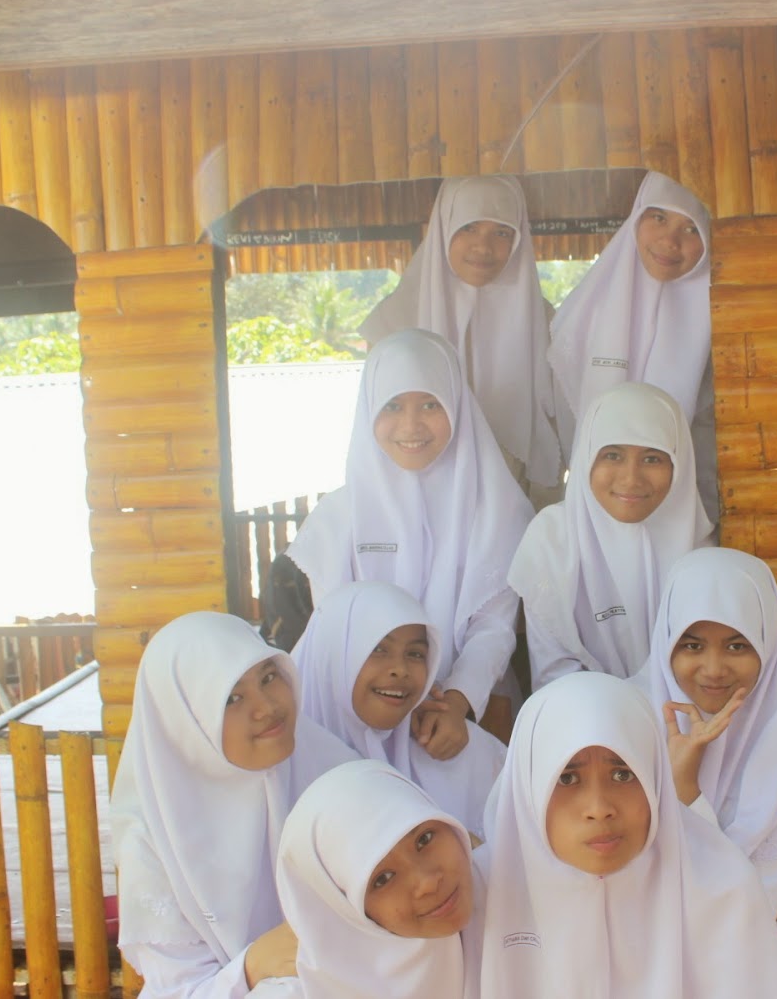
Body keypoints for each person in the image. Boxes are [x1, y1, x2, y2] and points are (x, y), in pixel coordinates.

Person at [476, 671, 777, 998]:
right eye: (567, 779)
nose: (599, 808)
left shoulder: (724, 892)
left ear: (654, 777)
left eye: (622, 774)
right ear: (527, 786)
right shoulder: (474, 895)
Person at [285, 328, 532, 749]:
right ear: (369, 409)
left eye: (430, 404)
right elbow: (335, 632)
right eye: (393, 405)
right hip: (357, 717)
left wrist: (454, 702)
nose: (411, 425)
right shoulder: (339, 517)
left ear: (457, 405)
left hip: (467, 717)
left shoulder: (498, 512)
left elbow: (493, 627)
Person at [109, 612, 358, 998]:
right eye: (232, 698)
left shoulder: (328, 766)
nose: (267, 707)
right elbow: (178, 990)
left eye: (268, 677)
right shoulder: (152, 840)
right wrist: (253, 966)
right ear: (186, 722)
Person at [642, 546, 777, 914]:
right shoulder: (624, 727)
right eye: (692, 645)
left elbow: (745, 912)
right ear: (666, 644)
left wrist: (684, 789)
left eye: (737, 645)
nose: (713, 669)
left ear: (769, 647)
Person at [360, 175, 562, 501]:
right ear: (444, 227)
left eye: (502, 232)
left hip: (518, 492)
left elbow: (554, 421)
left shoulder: (543, 320)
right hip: (416, 494)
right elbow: (378, 419)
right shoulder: (393, 322)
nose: (483, 246)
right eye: (468, 228)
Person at [508, 381, 712, 689]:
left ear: (679, 464)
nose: (631, 479)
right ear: (587, 457)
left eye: (652, 458)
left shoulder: (702, 550)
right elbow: (554, 674)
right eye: (613, 455)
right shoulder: (552, 539)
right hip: (582, 713)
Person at [548, 172, 717, 521]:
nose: (670, 241)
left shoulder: (725, 320)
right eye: (659, 218)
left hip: (692, 501)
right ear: (636, 218)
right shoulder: (584, 313)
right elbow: (566, 415)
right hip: (600, 495)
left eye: (691, 229)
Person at [293, 580, 505, 834]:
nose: (400, 669)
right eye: (378, 649)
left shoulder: (467, 755)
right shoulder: (285, 769)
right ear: (331, 657)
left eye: (415, 654)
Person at [274, 760, 479, 999]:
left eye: (424, 839)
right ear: (344, 910)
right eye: (383, 879)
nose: (427, 883)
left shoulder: (505, 896)